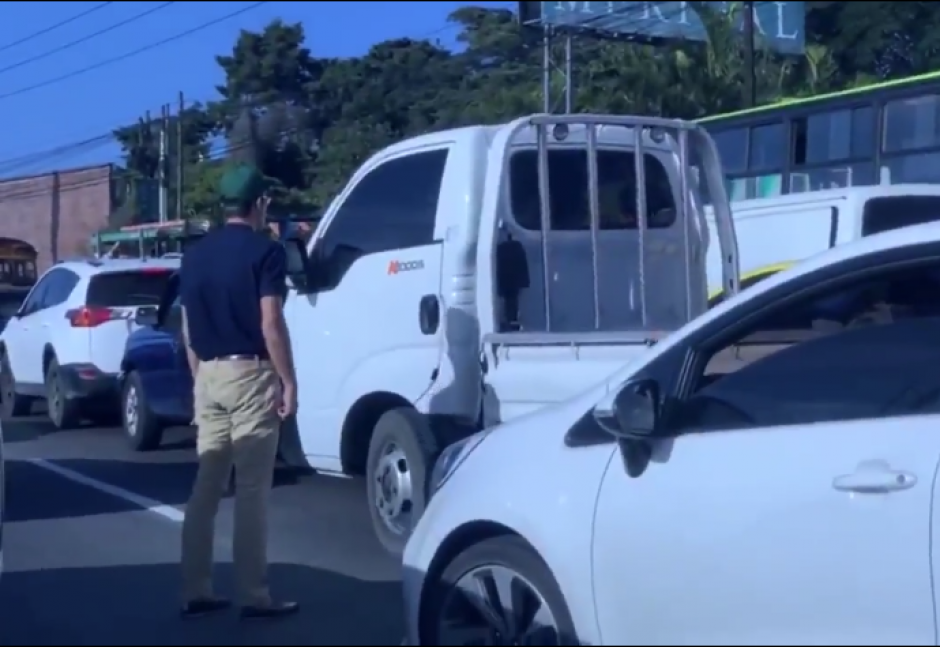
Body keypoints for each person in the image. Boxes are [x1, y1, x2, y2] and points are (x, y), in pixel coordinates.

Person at [178, 163, 299, 620]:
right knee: (251, 489)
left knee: (206, 485)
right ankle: (254, 593)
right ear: (259, 203)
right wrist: (288, 380)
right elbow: (271, 322)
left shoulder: (194, 256)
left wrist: (199, 377)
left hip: (208, 374)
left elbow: (188, 328)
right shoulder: (266, 252)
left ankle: (195, 588)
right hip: (250, 373)